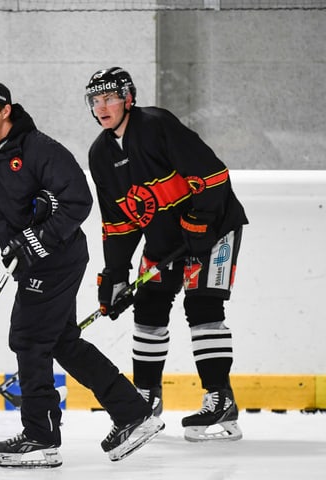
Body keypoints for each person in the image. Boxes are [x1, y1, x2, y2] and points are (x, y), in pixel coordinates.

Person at [0, 79, 164, 467]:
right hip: (38, 261)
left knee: (28, 339)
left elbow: (78, 200)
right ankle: (132, 413)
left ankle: (41, 437)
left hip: (55, 259)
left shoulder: (39, 150)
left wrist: (32, 241)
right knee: (62, 342)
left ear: (5, 112)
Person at [84, 67, 248, 442]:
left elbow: (213, 176)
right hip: (163, 241)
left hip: (214, 228)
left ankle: (219, 398)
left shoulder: (158, 125)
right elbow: (119, 223)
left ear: (128, 98)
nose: (102, 106)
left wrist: (198, 224)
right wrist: (115, 276)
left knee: (203, 306)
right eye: (96, 100)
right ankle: (147, 399)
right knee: (149, 308)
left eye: (109, 97)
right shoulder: (100, 154)